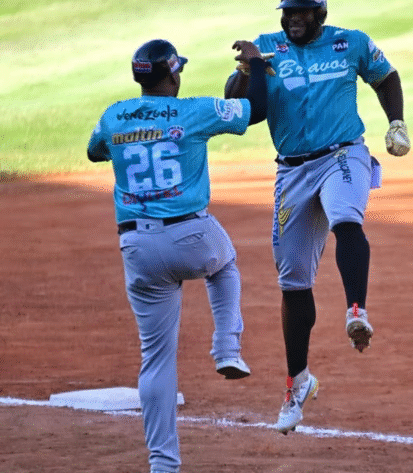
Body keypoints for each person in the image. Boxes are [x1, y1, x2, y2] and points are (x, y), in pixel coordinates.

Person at [223, 0, 410, 434]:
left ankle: (356, 310)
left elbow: (387, 77)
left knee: (347, 218)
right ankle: (298, 383)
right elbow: (244, 110)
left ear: (319, 15)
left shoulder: (351, 43)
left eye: (303, 13)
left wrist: (396, 121)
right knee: (292, 282)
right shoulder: (266, 50)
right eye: (288, 12)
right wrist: (248, 71)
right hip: (291, 171)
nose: (294, 20)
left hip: (343, 153)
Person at [87, 38, 269, 473]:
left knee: (156, 359)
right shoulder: (193, 110)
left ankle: (163, 464)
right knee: (224, 265)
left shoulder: (113, 115)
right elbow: (256, 111)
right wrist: (256, 67)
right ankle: (226, 347)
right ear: (173, 74)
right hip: (191, 235)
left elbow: (95, 151)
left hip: (137, 247)